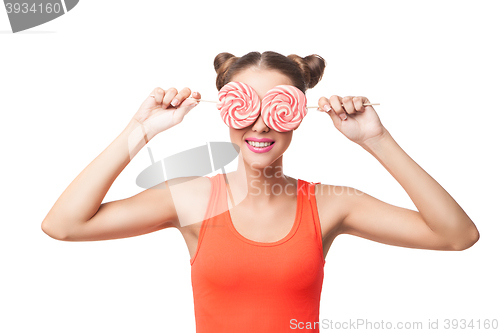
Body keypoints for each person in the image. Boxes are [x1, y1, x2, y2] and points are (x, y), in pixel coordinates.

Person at [41, 51, 480, 332]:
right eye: (247, 106)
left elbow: (457, 235)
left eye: (277, 107)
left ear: (298, 112)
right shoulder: (191, 199)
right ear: (227, 109)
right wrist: (140, 130)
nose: (261, 123)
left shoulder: (330, 203)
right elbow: (63, 225)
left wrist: (375, 140)